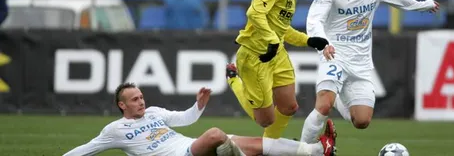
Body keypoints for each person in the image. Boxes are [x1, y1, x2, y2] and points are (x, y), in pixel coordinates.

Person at [300, 0, 440, 147]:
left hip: (360, 63)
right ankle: (300, 150)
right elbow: (314, 19)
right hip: (334, 55)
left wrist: (422, 6)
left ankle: (338, 98)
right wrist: (323, 43)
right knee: (323, 105)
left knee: (362, 120)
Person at [226, 0, 330, 139]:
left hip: (277, 53)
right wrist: (272, 41)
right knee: (266, 120)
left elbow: (281, 29)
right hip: (257, 55)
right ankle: (233, 80)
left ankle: (268, 148)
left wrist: (308, 40)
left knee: (289, 107)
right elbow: (254, 13)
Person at [63, 82, 337, 156]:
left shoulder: (155, 113)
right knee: (218, 134)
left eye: (141, 96)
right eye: (135, 99)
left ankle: (316, 150)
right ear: (122, 105)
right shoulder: (116, 129)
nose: (141, 101)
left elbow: (184, 119)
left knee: (256, 142)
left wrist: (199, 105)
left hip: (191, 147)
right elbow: (88, 149)